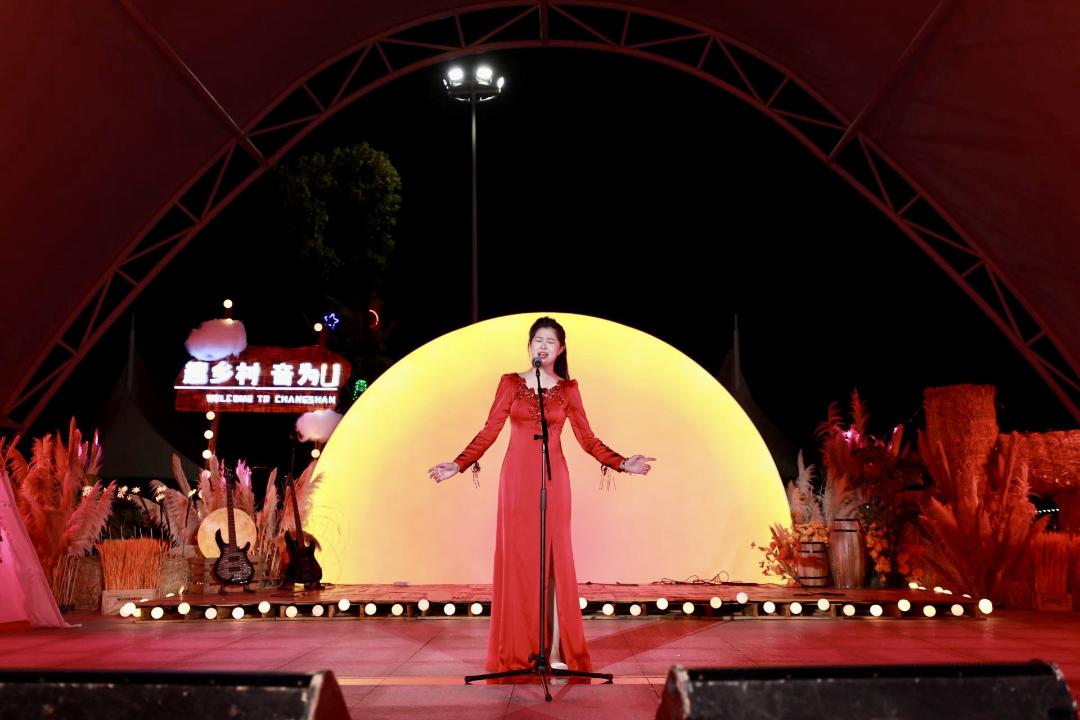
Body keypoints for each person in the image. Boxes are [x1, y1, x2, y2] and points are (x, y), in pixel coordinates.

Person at [428, 316, 655, 675]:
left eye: (551, 341)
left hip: (554, 481)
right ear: (530, 345)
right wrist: (459, 463)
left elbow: (587, 438)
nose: (544, 346)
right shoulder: (510, 383)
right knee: (519, 563)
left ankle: (555, 651)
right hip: (517, 482)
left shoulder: (568, 390)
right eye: (538, 340)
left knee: (553, 565)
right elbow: (489, 430)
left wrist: (622, 462)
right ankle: (521, 649)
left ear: (561, 349)